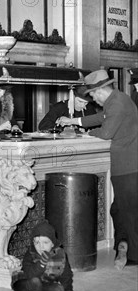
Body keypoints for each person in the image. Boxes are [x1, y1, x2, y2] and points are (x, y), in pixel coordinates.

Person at [58, 69, 138, 269]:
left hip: (127, 165)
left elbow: (106, 131)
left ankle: (135, 254)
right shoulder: (118, 99)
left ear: (101, 90)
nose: (92, 98)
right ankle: (125, 247)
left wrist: (85, 134)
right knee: (119, 209)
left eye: (92, 94)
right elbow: (102, 117)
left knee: (128, 211)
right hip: (128, 164)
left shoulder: (117, 104)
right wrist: (75, 121)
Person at [12, 221, 84, 291]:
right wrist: (41, 263)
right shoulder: (30, 254)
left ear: (53, 243)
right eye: (37, 242)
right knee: (34, 282)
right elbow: (30, 274)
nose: (40, 246)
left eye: (45, 242)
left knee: (59, 290)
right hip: (27, 283)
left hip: (44, 286)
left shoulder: (60, 254)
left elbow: (66, 276)